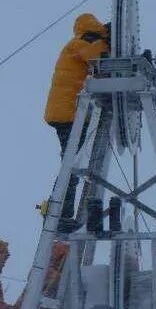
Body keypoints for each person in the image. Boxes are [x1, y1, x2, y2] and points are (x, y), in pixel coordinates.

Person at [44, 13, 110, 225]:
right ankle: (60, 213)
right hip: (69, 113)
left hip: (65, 113)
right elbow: (98, 57)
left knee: (71, 162)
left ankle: (61, 212)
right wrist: (109, 41)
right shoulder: (84, 42)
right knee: (71, 163)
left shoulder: (77, 42)